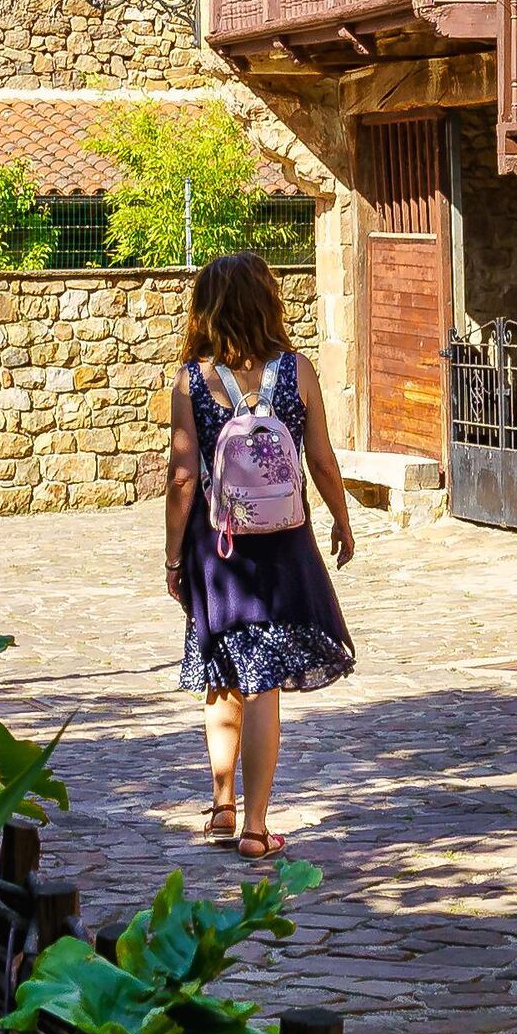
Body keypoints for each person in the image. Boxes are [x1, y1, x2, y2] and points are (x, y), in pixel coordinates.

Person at [165, 251, 354, 854]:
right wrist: (343, 519)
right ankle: (254, 827)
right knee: (264, 682)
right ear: (268, 303)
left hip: (218, 549)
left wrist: (173, 558)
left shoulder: (192, 380)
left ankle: (223, 808)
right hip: (283, 545)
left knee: (221, 676)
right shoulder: (296, 372)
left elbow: (182, 476)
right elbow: (321, 458)